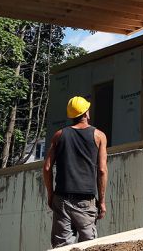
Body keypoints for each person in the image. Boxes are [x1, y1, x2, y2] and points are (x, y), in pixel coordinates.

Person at [44, 96, 108, 246]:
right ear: (86, 113)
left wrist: (51, 195)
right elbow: (102, 170)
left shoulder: (59, 135)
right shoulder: (99, 136)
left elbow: (47, 167)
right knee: (88, 247)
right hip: (85, 201)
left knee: (62, 248)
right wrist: (102, 202)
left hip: (62, 199)